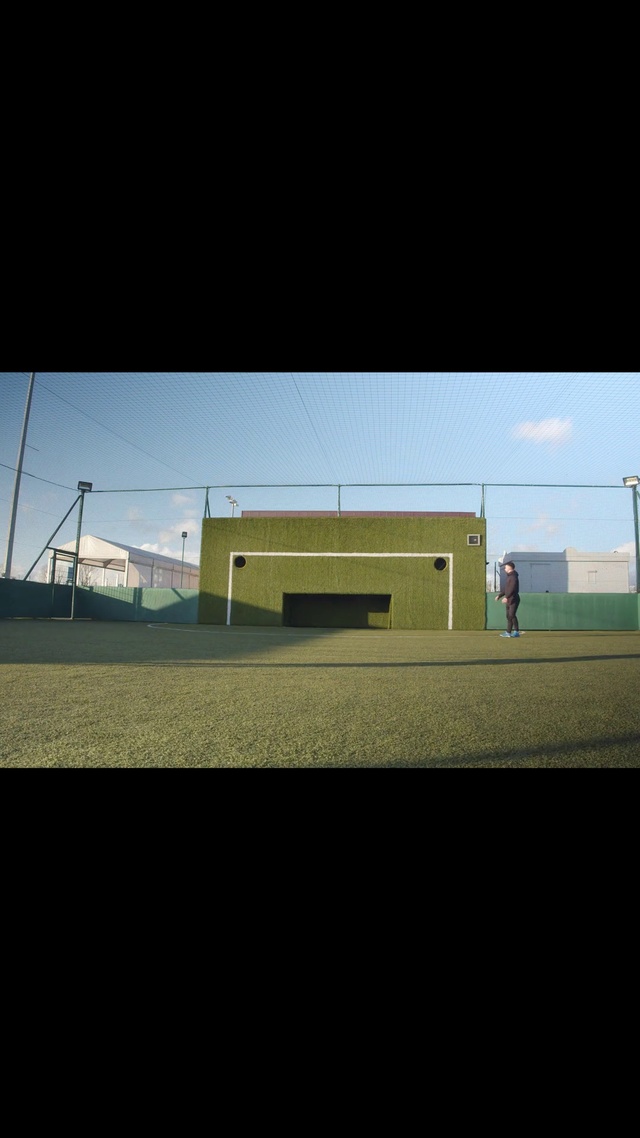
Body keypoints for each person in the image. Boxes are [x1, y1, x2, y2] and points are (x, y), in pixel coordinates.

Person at [495, 560, 520, 637]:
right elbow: (506, 589)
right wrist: (499, 596)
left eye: (505, 567)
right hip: (510, 599)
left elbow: (512, 589)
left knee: (511, 615)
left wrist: (507, 597)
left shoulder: (513, 577)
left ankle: (516, 632)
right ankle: (508, 632)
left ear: (509, 568)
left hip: (513, 599)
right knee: (509, 616)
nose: (504, 569)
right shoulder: (509, 576)